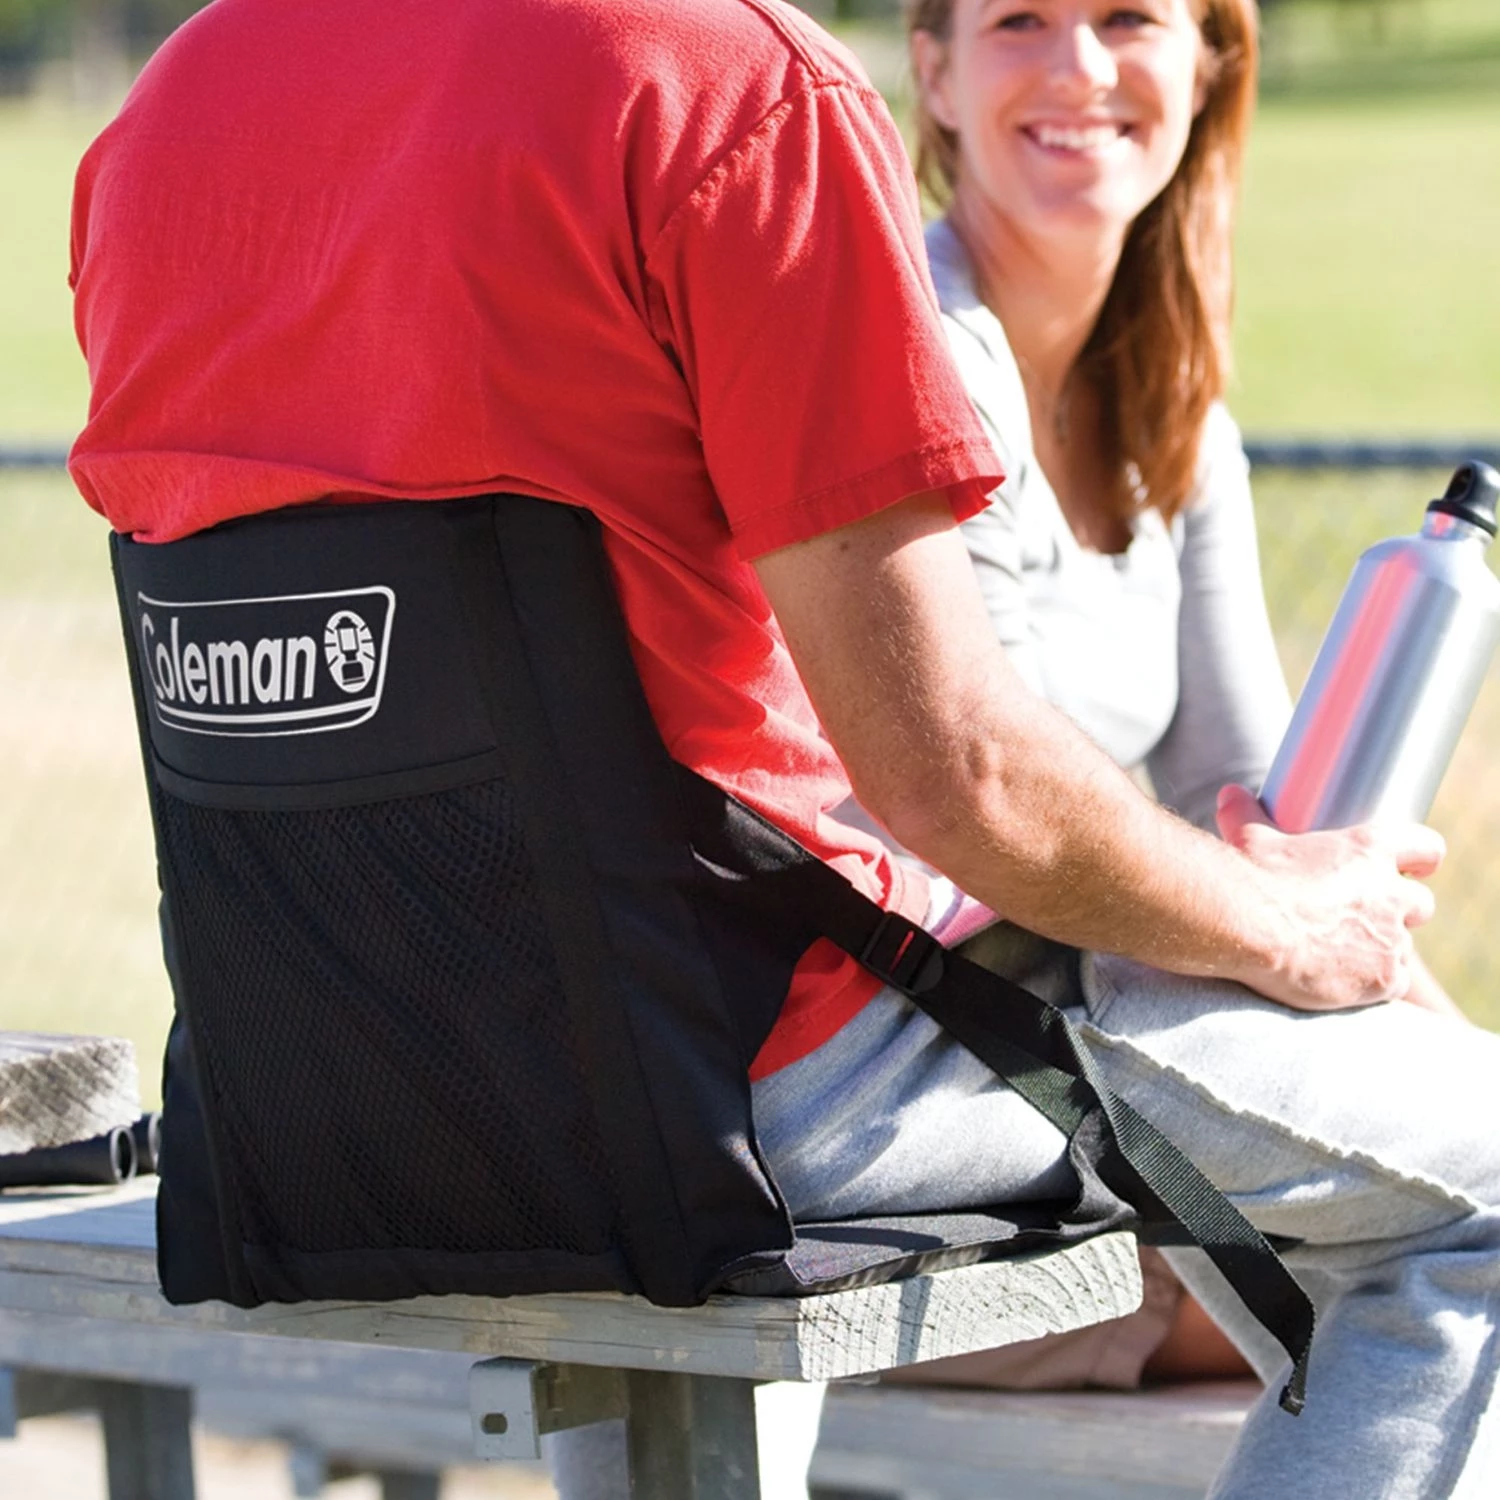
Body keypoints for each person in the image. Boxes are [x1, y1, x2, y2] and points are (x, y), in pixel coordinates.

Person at [67, 3, 1499, 1499]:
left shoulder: (161, 121)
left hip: (331, 1101)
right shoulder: (731, 90)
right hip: (740, 1081)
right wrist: (1287, 924)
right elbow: (955, 771)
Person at [869, 0, 1468, 1397]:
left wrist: (1434, 1035)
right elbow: (1009, 827)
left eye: (1129, 16)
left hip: (1085, 1084)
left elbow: (1256, 812)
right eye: (1022, 19)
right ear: (936, 72)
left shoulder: (1182, 414)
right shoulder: (921, 356)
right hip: (915, 1127)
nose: (1080, 66)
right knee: (1414, 1290)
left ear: (1209, 65)